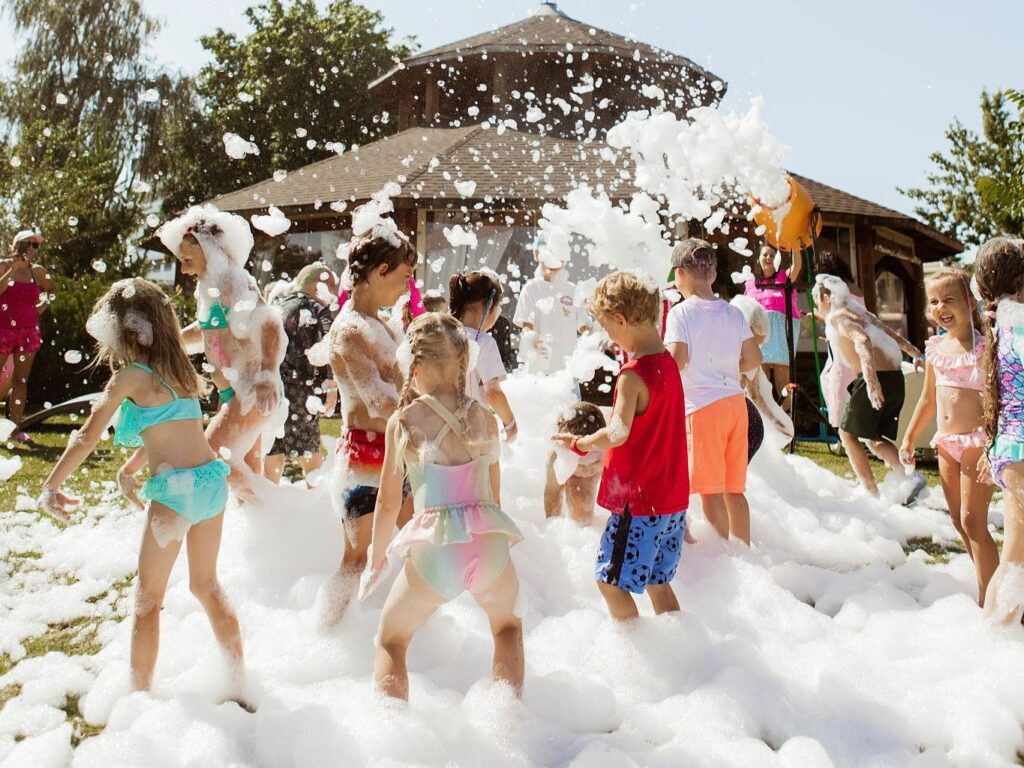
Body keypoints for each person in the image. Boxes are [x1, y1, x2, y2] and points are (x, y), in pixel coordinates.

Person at [38, 279, 247, 700]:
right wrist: (132, 468)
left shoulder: (130, 376)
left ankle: (139, 700)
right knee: (206, 586)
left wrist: (51, 485)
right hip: (210, 483)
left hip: (175, 493)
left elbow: (87, 437)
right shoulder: (180, 371)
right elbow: (174, 426)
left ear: (124, 330)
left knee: (147, 600)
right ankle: (240, 684)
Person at [362, 313, 524, 699]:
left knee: (392, 639)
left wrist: (376, 559)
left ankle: (393, 728)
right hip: (487, 543)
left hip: (437, 551)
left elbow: (388, 502)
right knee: (507, 628)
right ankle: (508, 721)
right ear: (465, 363)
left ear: (413, 366)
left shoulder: (404, 421)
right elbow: (494, 497)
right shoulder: (485, 418)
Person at [556, 270, 689, 620]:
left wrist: (581, 443)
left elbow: (617, 433)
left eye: (607, 327)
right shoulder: (668, 364)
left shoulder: (632, 375)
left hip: (640, 501)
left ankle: (637, 649)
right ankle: (680, 644)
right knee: (657, 580)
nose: (609, 336)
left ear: (621, 319)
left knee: (611, 582)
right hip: (672, 500)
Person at [320, 227, 418, 627]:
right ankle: (326, 635)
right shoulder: (349, 330)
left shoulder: (386, 326)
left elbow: (405, 388)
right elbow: (379, 403)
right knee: (356, 560)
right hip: (362, 459)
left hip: (393, 454)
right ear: (381, 271)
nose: (407, 287)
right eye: (404, 276)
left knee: (419, 545)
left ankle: (408, 633)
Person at [158, 206, 286, 499]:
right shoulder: (209, 285)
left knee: (211, 456)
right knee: (247, 476)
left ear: (209, 248)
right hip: (234, 392)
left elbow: (269, 324)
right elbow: (208, 331)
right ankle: (267, 521)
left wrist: (267, 375)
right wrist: (169, 343)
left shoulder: (231, 280)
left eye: (186, 258)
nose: (183, 268)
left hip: (252, 390)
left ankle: (279, 510)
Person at [899, 267, 996, 606]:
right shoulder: (936, 348)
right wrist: (909, 437)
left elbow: (997, 402)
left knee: (973, 521)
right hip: (946, 443)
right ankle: (989, 579)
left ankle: (990, 599)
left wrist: (992, 446)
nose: (940, 307)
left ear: (969, 302)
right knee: (957, 520)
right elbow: (928, 399)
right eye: (934, 301)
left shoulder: (984, 348)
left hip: (976, 442)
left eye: (949, 299)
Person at [665, 239, 761, 545]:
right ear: (714, 274)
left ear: (680, 275)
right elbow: (753, 359)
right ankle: (745, 552)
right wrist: (728, 369)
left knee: (710, 492)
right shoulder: (733, 313)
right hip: (736, 405)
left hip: (703, 407)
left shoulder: (680, 314)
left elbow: (677, 360)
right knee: (734, 489)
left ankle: (722, 556)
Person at [813, 274, 927, 502]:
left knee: (846, 434)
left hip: (875, 379)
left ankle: (870, 491)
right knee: (873, 438)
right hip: (895, 378)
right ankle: (910, 477)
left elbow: (862, 340)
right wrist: (915, 353)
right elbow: (891, 334)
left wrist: (872, 383)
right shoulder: (859, 312)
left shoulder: (838, 317)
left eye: (817, 300)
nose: (817, 306)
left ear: (826, 298)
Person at [973, 237, 1024, 623]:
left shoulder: (1004, 324)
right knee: (1015, 559)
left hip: (1011, 448)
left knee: (1017, 556)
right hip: (1019, 449)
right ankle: (994, 639)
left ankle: (996, 639)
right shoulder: (1018, 327)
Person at [263, 263, 339, 485]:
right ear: (320, 287)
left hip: (276, 386)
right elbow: (331, 343)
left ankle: (268, 498)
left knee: (274, 447)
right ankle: (314, 495)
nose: (333, 297)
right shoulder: (318, 309)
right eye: (331, 290)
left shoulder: (276, 306)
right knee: (309, 452)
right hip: (303, 391)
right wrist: (331, 385)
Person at [0, 230, 56, 442]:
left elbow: (52, 290)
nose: (31, 249)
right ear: (15, 245)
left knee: (20, 381)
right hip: (2, 330)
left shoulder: (37, 271)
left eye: (35, 245)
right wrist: (13, 269)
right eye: (27, 244)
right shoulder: (3, 265)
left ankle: (13, 430)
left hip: (28, 332)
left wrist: (42, 306)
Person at [448, 270, 517, 441]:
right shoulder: (484, 342)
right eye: (498, 307)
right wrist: (510, 424)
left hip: (443, 425)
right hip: (474, 429)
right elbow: (492, 391)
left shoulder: (444, 334)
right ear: (488, 305)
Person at [513, 231, 589, 376]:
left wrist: (593, 333)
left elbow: (583, 325)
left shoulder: (572, 290)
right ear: (537, 254)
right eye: (549, 256)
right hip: (540, 369)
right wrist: (531, 338)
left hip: (567, 370)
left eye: (559, 257)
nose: (554, 262)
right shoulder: (531, 288)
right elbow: (526, 326)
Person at [730, 294, 796, 453]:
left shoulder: (728, 351)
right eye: (755, 343)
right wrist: (774, 420)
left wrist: (774, 420)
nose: (758, 348)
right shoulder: (746, 358)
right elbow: (755, 396)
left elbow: (756, 396)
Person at [744, 245, 803, 409]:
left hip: (780, 335)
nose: (769, 258)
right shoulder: (750, 283)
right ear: (758, 258)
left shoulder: (784, 277)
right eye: (765, 254)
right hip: (758, 337)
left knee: (782, 383)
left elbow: (797, 266)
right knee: (760, 385)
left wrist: (794, 244)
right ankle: (763, 421)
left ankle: (787, 421)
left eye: (772, 255)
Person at [816, 251, 865, 429]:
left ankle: (842, 428)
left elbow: (834, 314)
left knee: (836, 381)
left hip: (843, 342)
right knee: (836, 379)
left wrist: (819, 315)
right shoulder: (855, 287)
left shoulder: (836, 289)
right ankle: (850, 426)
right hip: (854, 339)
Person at [544, 402, 605, 524]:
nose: (587, 468)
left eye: (595, 459)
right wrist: (551, 524)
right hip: (573, 473)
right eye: (581, 464)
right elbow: (552, 493)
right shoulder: (558, 457)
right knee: (580, 513)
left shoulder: (607, 447)